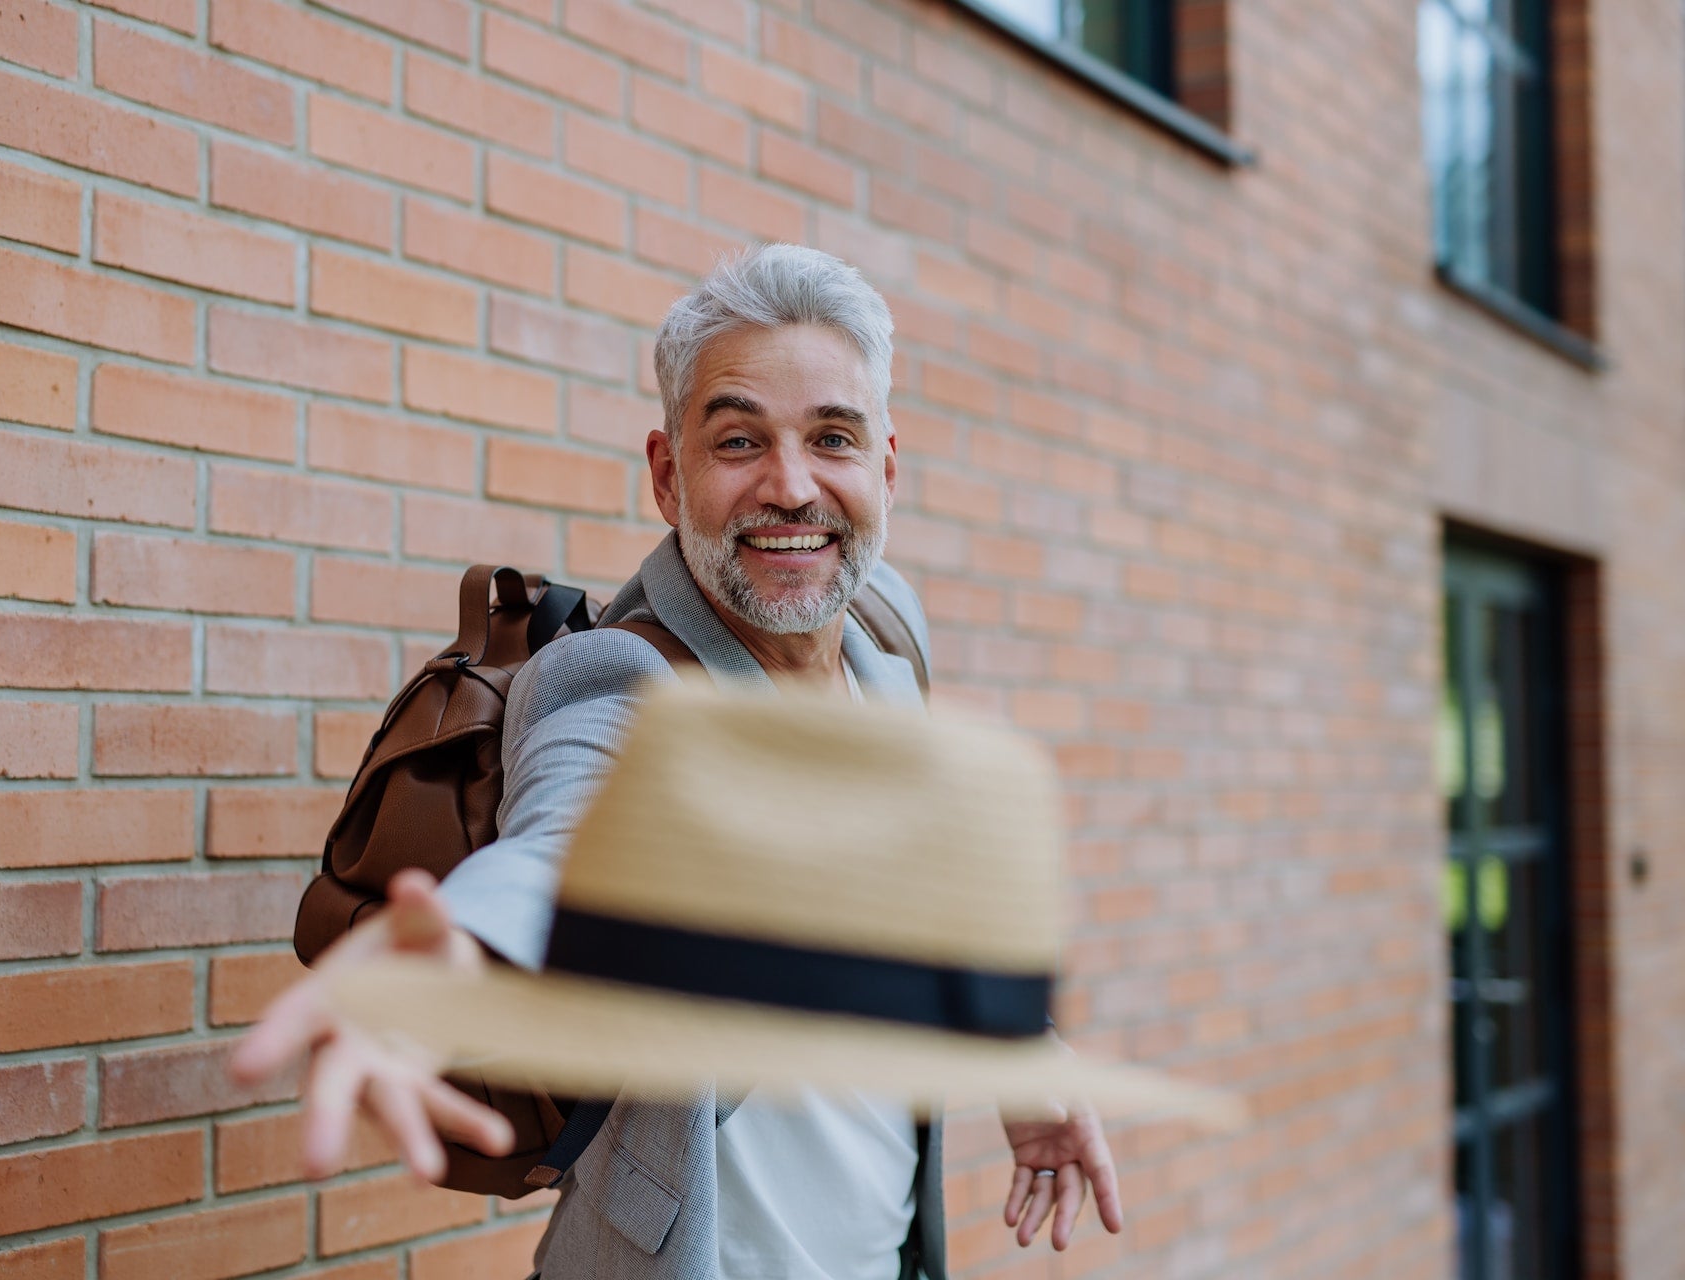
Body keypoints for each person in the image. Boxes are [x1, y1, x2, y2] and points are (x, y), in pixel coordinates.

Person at [232, 244, 1123, 1279]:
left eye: (830, 436)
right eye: (739, 439)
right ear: (668, 473)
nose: (790, 487)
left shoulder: (887, 636)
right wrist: (461, 953)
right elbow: (561, 846)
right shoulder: (620, 683)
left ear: (885, 467)